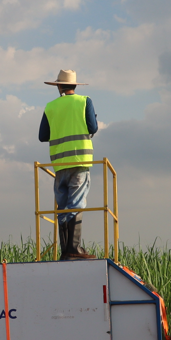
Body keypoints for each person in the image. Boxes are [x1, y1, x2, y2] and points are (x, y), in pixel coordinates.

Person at [39, 70, 97, 260]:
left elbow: (42, 136)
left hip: (58, 164)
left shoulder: (50, 106)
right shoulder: (84, 101)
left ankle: (66, 251)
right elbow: (93, 127)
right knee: (76, 203)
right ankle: (74, 249)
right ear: (75, 85)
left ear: (58, 86)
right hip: (80, 161)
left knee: (62, 206)